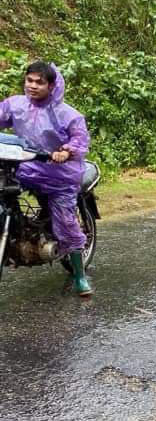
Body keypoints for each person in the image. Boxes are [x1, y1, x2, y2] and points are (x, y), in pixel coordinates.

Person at [0, 61, 93, 295]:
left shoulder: (68, 114)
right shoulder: (16, 105)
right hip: (24, 166)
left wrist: (66, 151)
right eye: (29, 81)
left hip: (59, 175)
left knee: (66, 224)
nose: (32, 86)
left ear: (51, 86)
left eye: (39, 82)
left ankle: (80, 277)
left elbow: (80, 140)